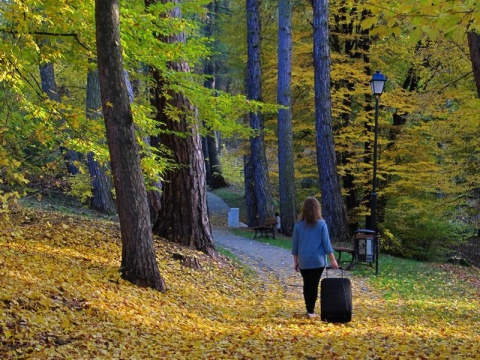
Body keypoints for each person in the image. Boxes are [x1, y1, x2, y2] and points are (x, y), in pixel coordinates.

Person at [292, 197, 338, 319]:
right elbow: (326, 244)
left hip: (304, 261)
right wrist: (333, 259)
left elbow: (295, 245)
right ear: (317, 209)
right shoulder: (321, 224)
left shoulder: (298, 226)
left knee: (307, 285)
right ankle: (311, 311)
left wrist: (295, 261)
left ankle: (309, 309)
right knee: (314, 285)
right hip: (318, 261)